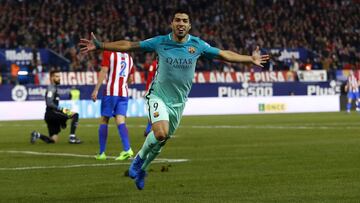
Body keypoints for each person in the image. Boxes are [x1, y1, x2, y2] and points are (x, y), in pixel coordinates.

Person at [80, 9, 269, 190]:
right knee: (160, 133)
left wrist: (248, 59)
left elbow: (224, 55)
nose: (181, 23)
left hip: (178, 103)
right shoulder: (160, 42)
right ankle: (138, 161)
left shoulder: (198, 45)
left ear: (189, 26)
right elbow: (130, 45)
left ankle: (142, 169)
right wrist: (101, 46)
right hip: (158, 96)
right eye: (177, 20)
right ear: (172, 24)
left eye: (184, 21)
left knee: (161, 140)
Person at [91, 50, 135, 161]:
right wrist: (123, 85)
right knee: (121, 120)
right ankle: (127, 149)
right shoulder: (130, 58)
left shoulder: (109, 53)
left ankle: (101, 153)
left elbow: (104, 71)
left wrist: (96, 89)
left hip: (111, 92)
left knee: (104, 119)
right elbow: (131, 79)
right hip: (124, 93)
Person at [31, 70, 82, 144]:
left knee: (53, 140)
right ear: (51, 78)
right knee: (75, 115)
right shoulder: (51, 88)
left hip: (49, 115)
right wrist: (61, 110)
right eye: (57, 76)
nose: (59, 78)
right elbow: (49, 103)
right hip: (53, 113)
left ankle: (37, 135)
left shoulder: (54, 88)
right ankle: (72, 138)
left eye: (59, 76)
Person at [143, 54, 158, 136]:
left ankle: (149, 128)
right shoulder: (164, 63)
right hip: (160, 90)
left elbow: (149, 77)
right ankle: (151, 128)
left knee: (152, 108)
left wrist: (146, 89)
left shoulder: (153, 64)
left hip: (154, 90)